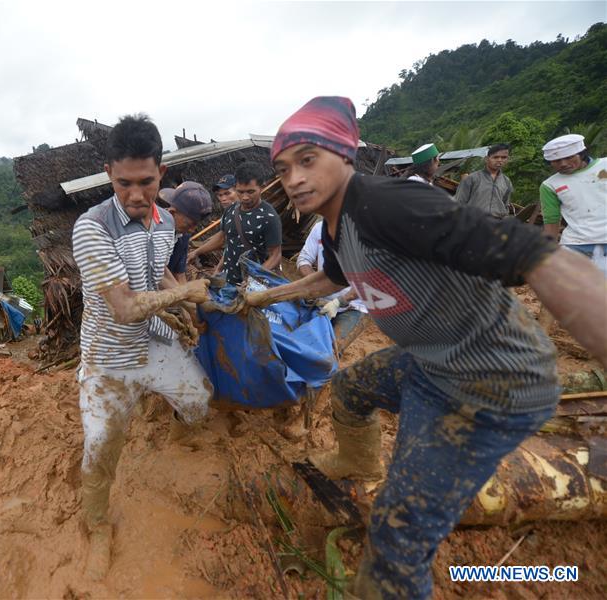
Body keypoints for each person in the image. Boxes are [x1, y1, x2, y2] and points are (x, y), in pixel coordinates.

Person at [246, 96, 607, 600]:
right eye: (284, 168)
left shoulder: (388, 203)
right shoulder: (334, 223)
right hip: (429, 362)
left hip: (488, 384)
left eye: (308, 160)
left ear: (345, 156)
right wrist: (264, 296)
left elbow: (540, 258)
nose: (294, 178)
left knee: (397, 540)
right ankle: (357, 464)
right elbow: (330, 278)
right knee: (351, 389)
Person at [71, 114, 213, 581]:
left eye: (146, 182)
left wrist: (180, 306)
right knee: (102, 443)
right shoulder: (92, 228)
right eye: (124, 182)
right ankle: (96, 526)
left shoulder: (164, 224)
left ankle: (179, 434)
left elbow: (157, 277)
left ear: (162, 175)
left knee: (198, 399)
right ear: (109, 172)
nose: (136, 194)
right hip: (108, 358)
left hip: (153, 343)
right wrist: (186, 294)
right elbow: (126, 307)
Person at [188, 162, 282, 285]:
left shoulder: (269, 216)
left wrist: (253, 279)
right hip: (228, 280)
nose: (245, 197)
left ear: (262, 187)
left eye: (250, 192)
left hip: (253, 286)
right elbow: (228, 241)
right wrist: (217, 269)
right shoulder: (231, 210)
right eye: (240, 192)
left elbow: (275, 256)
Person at [540, 133, 607, 275]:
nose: (563, 164)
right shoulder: (550, 185)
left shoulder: (604, 166)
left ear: (581, 154)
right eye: (556, 161)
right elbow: (551, 221)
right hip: (575, 246)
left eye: (569, 157)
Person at [297, 218, 368, 343]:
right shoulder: (320, 228)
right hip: (320, 299)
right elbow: (304, 259)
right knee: (301, 341)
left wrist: (338, 302)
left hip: (353, 306)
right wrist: (316, 285)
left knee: (332, 350)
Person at [159, 182, 214, 283]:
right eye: (189, 224)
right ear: (172, 213)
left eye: (196, 224)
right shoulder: (153, 233)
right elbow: (157, 274)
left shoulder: (183, 235)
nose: (192, 230)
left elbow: (179, 273)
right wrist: (182, 293)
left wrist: (187, 294)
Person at [454, 143, 514, 216]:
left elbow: (505, 205)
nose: (499, 160)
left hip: (495, 224)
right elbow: (459, 203)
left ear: (507, 159)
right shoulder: (472, 178)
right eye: (495, 157)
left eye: (503, 157)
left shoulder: (507, 182)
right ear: (486, 159)